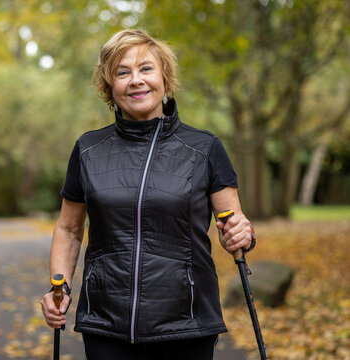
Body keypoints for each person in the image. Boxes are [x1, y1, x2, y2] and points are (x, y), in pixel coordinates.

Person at [40, 29, 255, 360]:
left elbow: (235, 226)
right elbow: (69, 228)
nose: (135, 80)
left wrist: (242, 234)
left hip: (187, 323)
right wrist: (60, 289)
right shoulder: (88, 149)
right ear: (109, 86)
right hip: (106, 322)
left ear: (165, 79)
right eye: (122, 72)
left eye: (146, 69)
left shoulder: (204, 148)